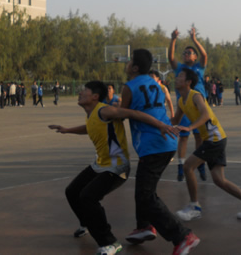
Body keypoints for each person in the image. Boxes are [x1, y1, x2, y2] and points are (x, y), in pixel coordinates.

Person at [48, 80, 178, 255]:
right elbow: (90, 127)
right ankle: (87, 222)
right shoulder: (93, 113)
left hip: (117, 168)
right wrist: (66, 130)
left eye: (84, 91)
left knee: (88, 197)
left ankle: (110, 242)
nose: (80, 93)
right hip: (101, 164)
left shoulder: (105, 110)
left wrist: (161, 125)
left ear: (95, 96)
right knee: (72, 191)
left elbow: (134, 113)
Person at [120, 49, 199, 254]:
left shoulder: (129, 87)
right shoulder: (155, 83)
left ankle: (182, 236)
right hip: (166, 140)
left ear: (134, 67)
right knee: (143, 188)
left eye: (129, 61)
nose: (126, 63)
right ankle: (144, 226)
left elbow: (122, 113)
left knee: (146, 195)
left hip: (154, 144)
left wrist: (107, 109)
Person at [172, 68, 241, 222]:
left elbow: (205, 115)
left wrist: (190, 127)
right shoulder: (182, 101)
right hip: (215, 139)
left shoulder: (195, 96)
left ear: (188, 82)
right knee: (219, 180)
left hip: (214, 139)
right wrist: (156, 123)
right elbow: (175, 120)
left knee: (188, 166)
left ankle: (195, 207)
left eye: (180, 76)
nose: (176, 77)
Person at [168, 27, 208, 183]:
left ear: (195, 56)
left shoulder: (199, 67)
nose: (186, 54)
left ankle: (200, 164)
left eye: (189, 52)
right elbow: (171, 57)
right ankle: (181, 165)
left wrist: (194, 39)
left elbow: (204, 55)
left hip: (198, 107)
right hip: (184, 107)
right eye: (184, 53)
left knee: (199, 136)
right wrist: (173, 39)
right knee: (183, 137)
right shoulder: (180, 68)